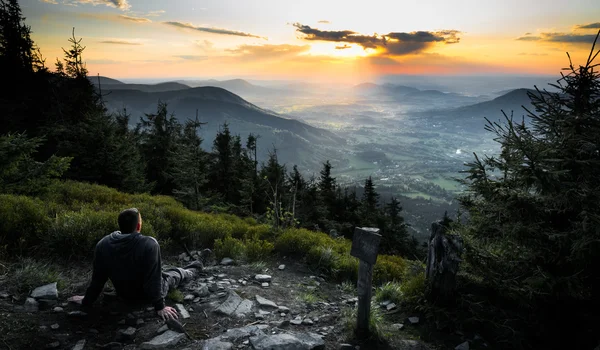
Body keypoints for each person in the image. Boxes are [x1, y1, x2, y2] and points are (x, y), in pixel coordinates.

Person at [68, 208, 203, 321]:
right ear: (138, 226)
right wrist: (160, 307)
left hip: (125, 294)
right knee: (175, 275)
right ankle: (196, 267)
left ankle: (193, 265)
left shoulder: (103, 244)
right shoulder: (149, 243)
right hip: (145, 296)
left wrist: (87, 300)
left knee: (165, 272)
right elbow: (153, 279)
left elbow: (98, 278)